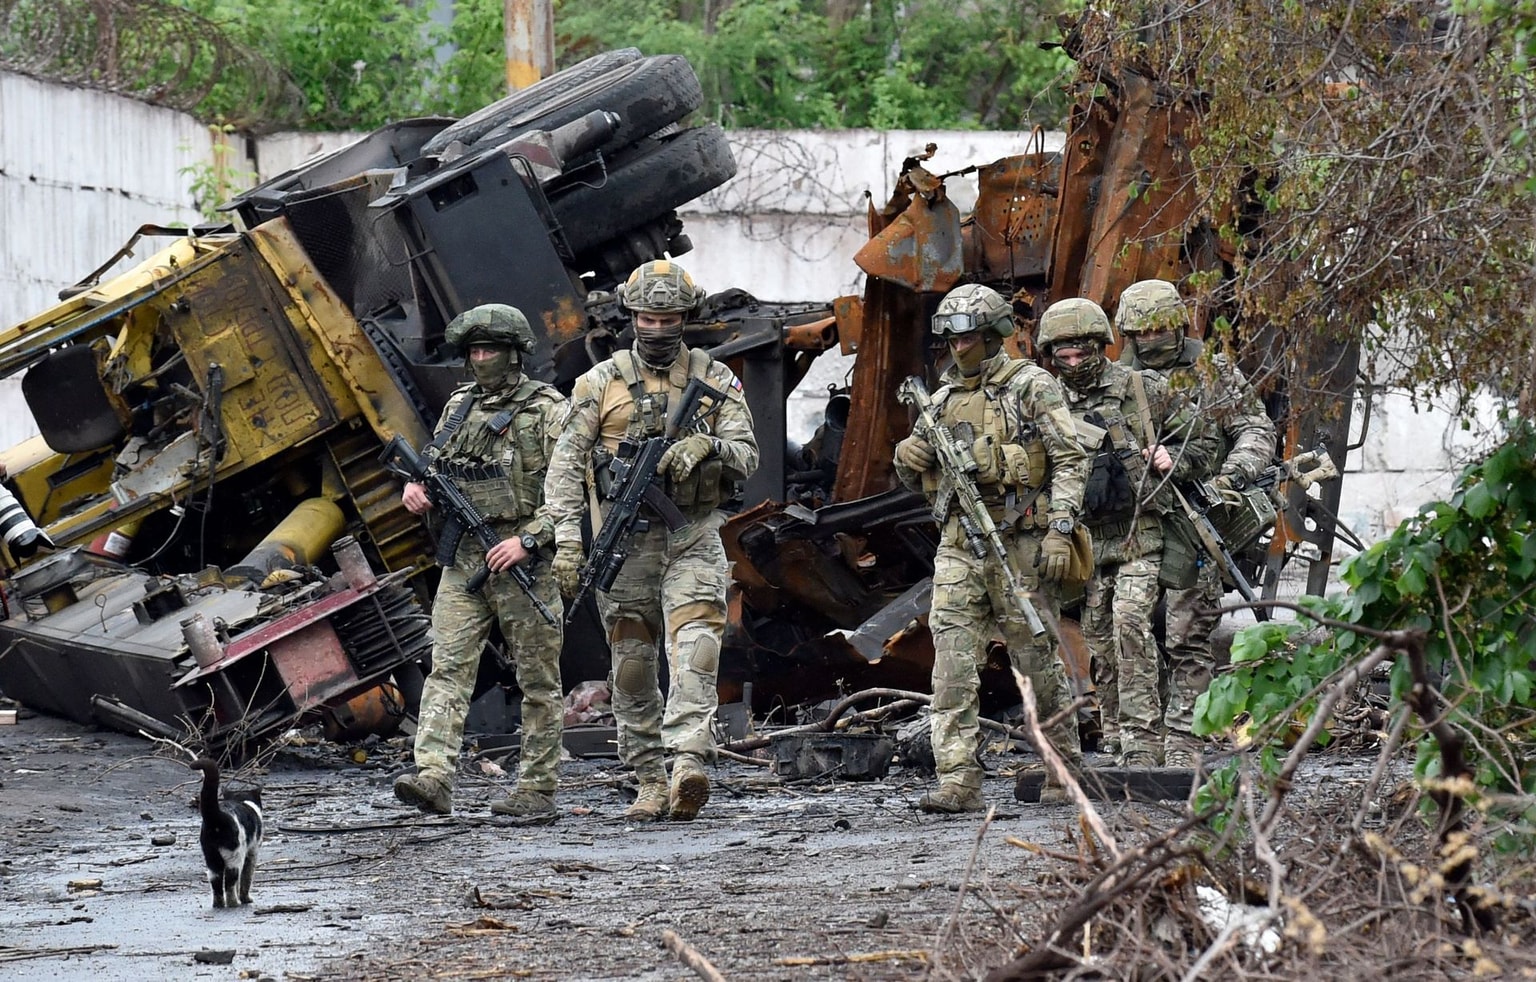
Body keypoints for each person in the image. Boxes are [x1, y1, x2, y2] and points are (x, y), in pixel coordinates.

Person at [543, 260, 759, 822]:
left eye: (669, 319)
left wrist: (707, 448)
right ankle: (647, 777)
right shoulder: (598, 384)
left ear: (686, 318)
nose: (658, 329)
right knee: (632, 668)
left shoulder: (716, 380)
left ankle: (689, 758)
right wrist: (568, 541)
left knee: (696, 649)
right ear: (630, 317)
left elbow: (748, 455)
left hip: (692, 535)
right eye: (647, 317)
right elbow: (565, 468)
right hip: (625, 546)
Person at [892, 283, 1091, 812]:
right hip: (959, 545)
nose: (958, 348)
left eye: (969, 337)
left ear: (994, 334)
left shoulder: (1030, 387)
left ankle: (1062, 766)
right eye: (951, 338)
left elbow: (1070, 459)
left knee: (1035, 660)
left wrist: (1061, 526)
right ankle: (957, 780)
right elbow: (920, 480)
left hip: (1020, 539)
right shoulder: (938, 400)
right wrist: (909, 458)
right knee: (952, 663)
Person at [393, 304, 568, 818]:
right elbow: (434, 466)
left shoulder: (548, 411)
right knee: (447, 668)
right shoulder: (458, 407)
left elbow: (575, 491)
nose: (481, 358)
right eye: (474, 351)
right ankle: (434, 777)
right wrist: (416, 489)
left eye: (490, 349)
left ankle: (537, 789)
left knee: (538, 680)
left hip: (523, 562)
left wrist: (531, 540)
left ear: (515, 354)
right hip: (464, 558)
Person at [1037, 297, 1216, 767]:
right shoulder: (1046, 400)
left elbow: (1203, 441)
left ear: (1101, 346)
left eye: (1082, 354)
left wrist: (1173, 458)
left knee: (1131, 623)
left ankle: (1143, 739)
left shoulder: (1142, 388)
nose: (1074, 365)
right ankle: (1115, 733)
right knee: (1099, 638)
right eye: (1064, 357)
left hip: (1143, 532)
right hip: (1091, 542)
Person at [1116, 279, 1276, 766]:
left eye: (1161, 330)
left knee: (1188, 634)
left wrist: (1233, 475)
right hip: (1137, 520)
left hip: (1199, 515)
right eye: (1141, 332)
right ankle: (1135, 744)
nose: (1151, 340)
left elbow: (1255, 427)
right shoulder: (1116, 378)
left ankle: (1187, 743)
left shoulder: (1210, 371)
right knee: (1126, 628)